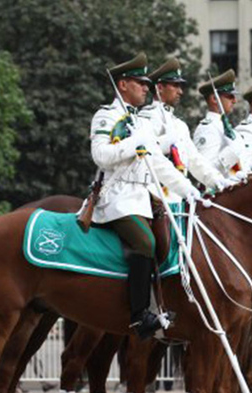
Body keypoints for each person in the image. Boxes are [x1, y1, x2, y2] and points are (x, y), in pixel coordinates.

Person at [89, 52, 197, 340]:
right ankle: (139, 315)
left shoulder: (140, 122)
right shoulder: (107, 115)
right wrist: (132, 144)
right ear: (123, 84)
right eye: (140, 83)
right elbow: (100, 155)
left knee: (170, 242)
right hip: (116, 198)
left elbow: (158, 163)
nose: (146, 88)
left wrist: (189, 190)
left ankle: (164, 305)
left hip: (144, 198)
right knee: (145, 242)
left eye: (147, 83)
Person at [144, 57, 231, 197]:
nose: (180, 92)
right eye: (175, 86)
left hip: (178, 196)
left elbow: (195, 161)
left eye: (181, 87)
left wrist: (219, 182)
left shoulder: (179, 125)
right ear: (159, 88)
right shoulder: (147, 118)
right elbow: (150, 159)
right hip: (154, 197)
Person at [193, 69, 251, 178]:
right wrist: (231, 153)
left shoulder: (229, 130)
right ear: (215, 99)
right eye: (230, 96)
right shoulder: (207, 129)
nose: (234, 101)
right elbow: (205, 171)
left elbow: (241, 167)